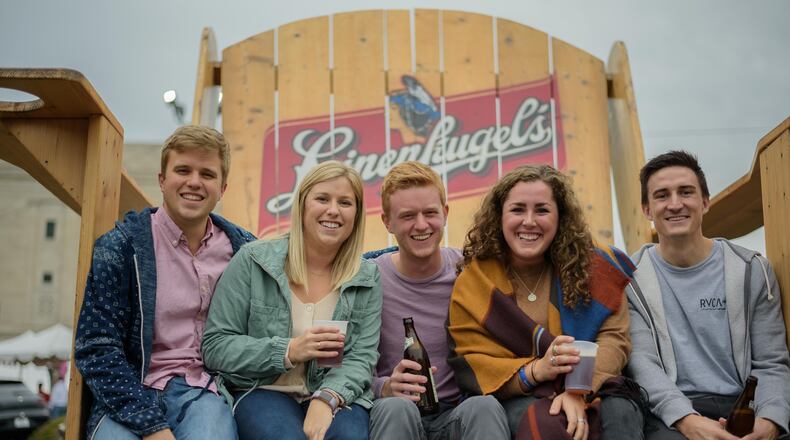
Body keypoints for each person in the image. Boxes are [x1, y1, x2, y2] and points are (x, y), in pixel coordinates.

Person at [74, 125, 256, 440]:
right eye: (183, 170)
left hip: (205, 392)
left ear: (223, 187)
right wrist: (152, 427)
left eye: (207, 174)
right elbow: (97, 347)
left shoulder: (245, 250)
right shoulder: (121, 247)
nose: (194, 182)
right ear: (162, 179)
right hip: (131, 389)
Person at [447, 164, 642, 440]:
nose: (529, 221)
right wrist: (536, 371)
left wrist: (577, 389)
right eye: (517, 210)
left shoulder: (594, 266)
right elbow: (472, 362)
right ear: (499, 216)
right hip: (517, 394)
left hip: (594, 385)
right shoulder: (475, 282)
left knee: (620, 414)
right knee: (544, 422)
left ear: (560, 217)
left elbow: (614, 339)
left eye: (542, 210)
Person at [202, 160, 381, 440]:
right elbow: (216, 345)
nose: (333, 210)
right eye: (322, 198)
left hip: (337, 392)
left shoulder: (366, 276)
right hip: (262, 390)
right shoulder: (253, 261)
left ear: (357, 214)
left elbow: (361, 357)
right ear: (302, 204)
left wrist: (328, 397)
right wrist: (289, 350)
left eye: (345, 202)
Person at [627, 150, 790, 440]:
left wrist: (771, 420)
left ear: (705, 202)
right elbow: (643, 365)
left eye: (686, 192)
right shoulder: (630, 279)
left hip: (744, 405)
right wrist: (687, 421)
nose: (675, 204)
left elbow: (771, 361)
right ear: (647, 210)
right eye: (662, 195)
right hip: (671, 412)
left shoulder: (752, 269)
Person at [366, 161, 509, 440]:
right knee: (395, 409)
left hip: (457, 412)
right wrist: (383, 386)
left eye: (430, 213)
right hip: (396, 410)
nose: (421, 225)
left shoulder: (470, 271)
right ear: (387, 222)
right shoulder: (369, 279)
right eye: (407, 216)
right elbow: (345, 366)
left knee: (484, 407)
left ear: (445, 213)